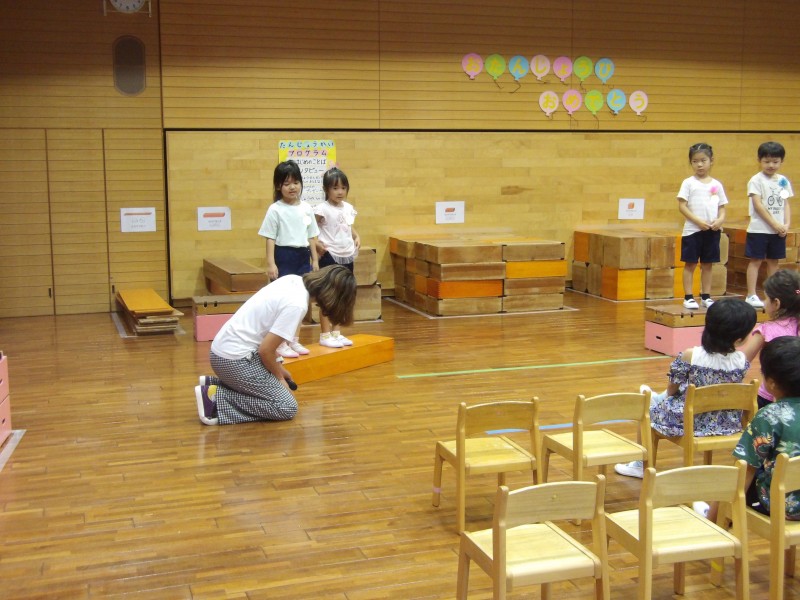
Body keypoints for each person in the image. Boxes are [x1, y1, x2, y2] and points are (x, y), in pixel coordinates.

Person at [195, 265, 357, 426]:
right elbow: (266, 350)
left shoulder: (293, 280)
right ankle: (215, 399)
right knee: (285, 406)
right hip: (234, 360)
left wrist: (278, 368)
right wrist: (279, 378)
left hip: (223, 352)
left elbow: (267, 340)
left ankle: (215, 385)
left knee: (274, 388)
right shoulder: (297, 305)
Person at [615, 297, 757, 478]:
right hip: (727, 422)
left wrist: (666, 396)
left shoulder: (692, 355)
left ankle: (639, 465)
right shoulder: (741, 361)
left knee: (647, 409)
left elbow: (673, 386)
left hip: (691, 422)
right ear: (739, 338)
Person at [731, 336, 800, 519]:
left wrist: (716, 519)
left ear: (771, 383)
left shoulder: (769, 416)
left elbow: (743, 472)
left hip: (784, 507)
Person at [259, 160, 320, 358]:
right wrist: (271, 263)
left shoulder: (307, 208)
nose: (292, 187)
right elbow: (270, 237)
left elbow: (312, 236)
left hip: (303, 256)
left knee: (301, 301)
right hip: (283, 255)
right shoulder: (275, 209)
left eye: (296, 182)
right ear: (278, 186)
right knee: (284, 302)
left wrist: (315, 261)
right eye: (286, 183)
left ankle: (294, 339)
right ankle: (280, 343)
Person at [738, 269, 800, 409]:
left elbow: (740, 361)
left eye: (766, 298)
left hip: (769, 398)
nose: (764, 302)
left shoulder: (767, 329)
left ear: (776, 304)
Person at [677, 143, 728, 310]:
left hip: (712, 231)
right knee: (690, 264)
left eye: (703, 160)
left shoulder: (717, 184)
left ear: (711, 161)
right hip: (693, 231)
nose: (699, 164)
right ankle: (688, 297)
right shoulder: (688, 183)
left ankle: (706, 296)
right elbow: (682, 206)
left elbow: (722, 206)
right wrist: (698, 222)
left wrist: (720, 220)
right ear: (690, 163)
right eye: (695, 161)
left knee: (708, 264)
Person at [314, 167, 361, 348]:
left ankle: (336, 332)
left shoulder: (348, 208)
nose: (340, 192)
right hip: (330, 255)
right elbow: (310, 229)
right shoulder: (322, 209)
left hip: (347, 254)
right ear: (327, 189)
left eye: (343, 188)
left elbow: (348, 226)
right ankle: (325, 334)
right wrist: (317, 243)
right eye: (335, 188)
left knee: (343, 295)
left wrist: (357, 236)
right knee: (327, 296)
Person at [744, 141, 794, 308]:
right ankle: (751, 294)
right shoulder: (756, 180)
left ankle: (770, 294)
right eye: (767, 161)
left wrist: (786, 224)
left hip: (778, 230)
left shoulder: (783, 181)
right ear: (759, 160)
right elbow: (758, 206)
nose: (771, 165)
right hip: (760, 229)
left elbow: (785, 203)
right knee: (756, 260)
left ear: (781, 161)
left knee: (774, 262)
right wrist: (774, 224)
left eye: (775, 161)